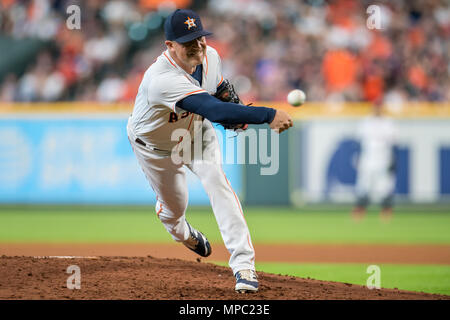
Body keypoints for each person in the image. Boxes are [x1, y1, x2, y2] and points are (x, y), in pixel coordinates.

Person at [126, 9, 293, 293]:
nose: (198, 45)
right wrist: (267, 115)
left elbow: (218, 91)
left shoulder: (210, 56)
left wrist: (235, 110)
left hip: (194, 133)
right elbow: (214, 109)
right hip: (155, 148)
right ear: (170, 46)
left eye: (200, 38)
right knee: (175, 209)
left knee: (218, 182)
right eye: (188, 41)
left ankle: (243, 265)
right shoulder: (160, 79)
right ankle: (181, 231)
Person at [351, 100, 397, 222]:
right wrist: (358, 157)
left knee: (384, 186)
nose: (377, 109)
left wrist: (392, 161)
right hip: (368, 157)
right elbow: (359, 142)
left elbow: (392, 143)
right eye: (375, 107)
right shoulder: (366, 122)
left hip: (383, 157)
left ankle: (386, 211)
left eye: (379, 107)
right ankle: (360, 210)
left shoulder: (388, 122)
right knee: (364, 185)